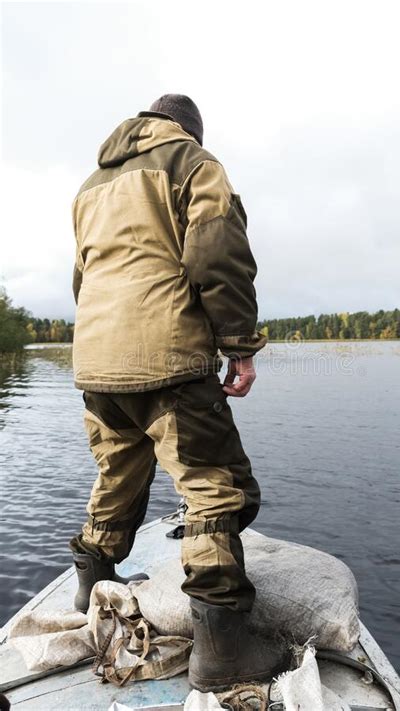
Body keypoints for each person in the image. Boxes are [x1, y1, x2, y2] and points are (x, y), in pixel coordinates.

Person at [69, 94, 287, 690]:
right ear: (187, 129)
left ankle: (92, 595)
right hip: (167, 361)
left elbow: (82, 277)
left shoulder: (91, 185)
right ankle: (221, 655)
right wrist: (239, 344)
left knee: (116, 476)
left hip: (96, 363)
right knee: (217, 490)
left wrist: (105, 348)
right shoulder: (192, 162)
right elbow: (218, 255)